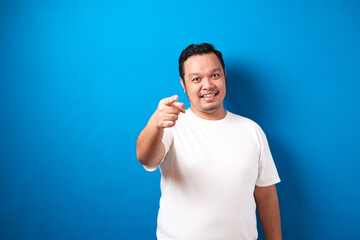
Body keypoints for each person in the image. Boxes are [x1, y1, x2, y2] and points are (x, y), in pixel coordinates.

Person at [136, 43, 282, 240]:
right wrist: (155, 124)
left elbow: (266, 195)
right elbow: (146, 158)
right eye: (196, 79)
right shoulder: (171, 126)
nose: (208, 85)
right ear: (183, 85)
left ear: (224, 77)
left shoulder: (252, 130)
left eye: (215, 75)